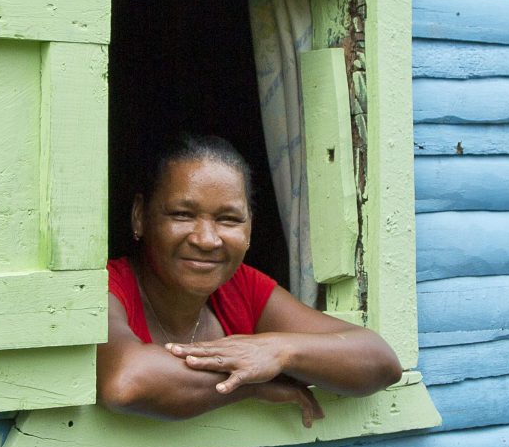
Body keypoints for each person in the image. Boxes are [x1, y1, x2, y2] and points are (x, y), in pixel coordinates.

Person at [101, 133, 403, 426]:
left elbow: (380, 361)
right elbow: (126, 382)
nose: (207, 240)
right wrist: (251, 385)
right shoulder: (108, 288)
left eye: (229, 219)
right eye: (182, 214)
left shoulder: (242, 287)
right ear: (140, 216)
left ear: (249, 230)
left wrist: (277, 352)